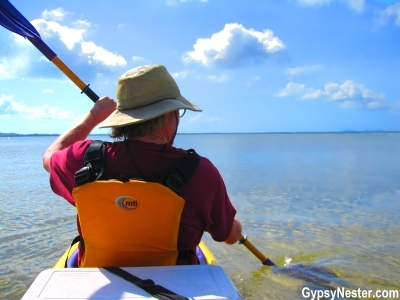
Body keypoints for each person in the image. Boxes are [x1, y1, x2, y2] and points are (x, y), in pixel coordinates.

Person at [43, 64, 242, 267]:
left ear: (123, 119)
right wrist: (231, 223)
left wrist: (94, 116)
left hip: (98, 273)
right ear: (167, 116)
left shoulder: (84, 158)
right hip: (172, 286)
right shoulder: (201, 173)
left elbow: (49, 158)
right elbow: (230, 236)